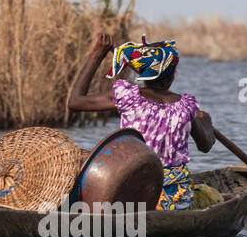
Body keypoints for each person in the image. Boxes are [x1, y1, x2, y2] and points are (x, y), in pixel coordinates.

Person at [67, 33, 214, 211]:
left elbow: (75, 101)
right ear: (171, 77)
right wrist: (206, 122)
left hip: (131, 190)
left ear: (144, 76)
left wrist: (97, 55)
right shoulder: (186, 106)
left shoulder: (127, 97)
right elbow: (205, 145)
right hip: (175, 199)